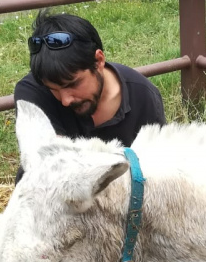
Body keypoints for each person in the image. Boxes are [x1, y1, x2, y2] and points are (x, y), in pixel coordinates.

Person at [14, 10, 166, 179]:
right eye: (53, 89)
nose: (65, 100)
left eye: (73, 84)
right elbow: (52, 172)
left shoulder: (143, 96)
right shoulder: (32, 92)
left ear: (99, 61)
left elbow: (156, 171)